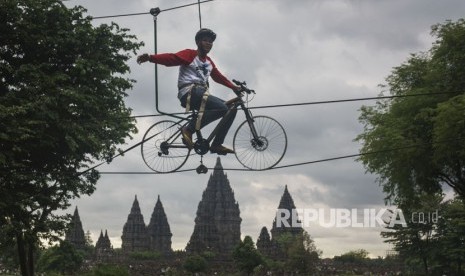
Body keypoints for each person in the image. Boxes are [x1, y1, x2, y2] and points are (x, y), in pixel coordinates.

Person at [137, 28, 241, 155]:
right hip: (189, 92)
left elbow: (218, 76)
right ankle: (189, 129)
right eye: (205, 40)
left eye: (210, 42)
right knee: (222, 108)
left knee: (231, 109)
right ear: (198, 42)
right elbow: (171, 58)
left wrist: (234, 87)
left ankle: (217, 144)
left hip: (201, 94)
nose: (208, 43)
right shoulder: (190, 55)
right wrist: (151, 58)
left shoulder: (209, 62)